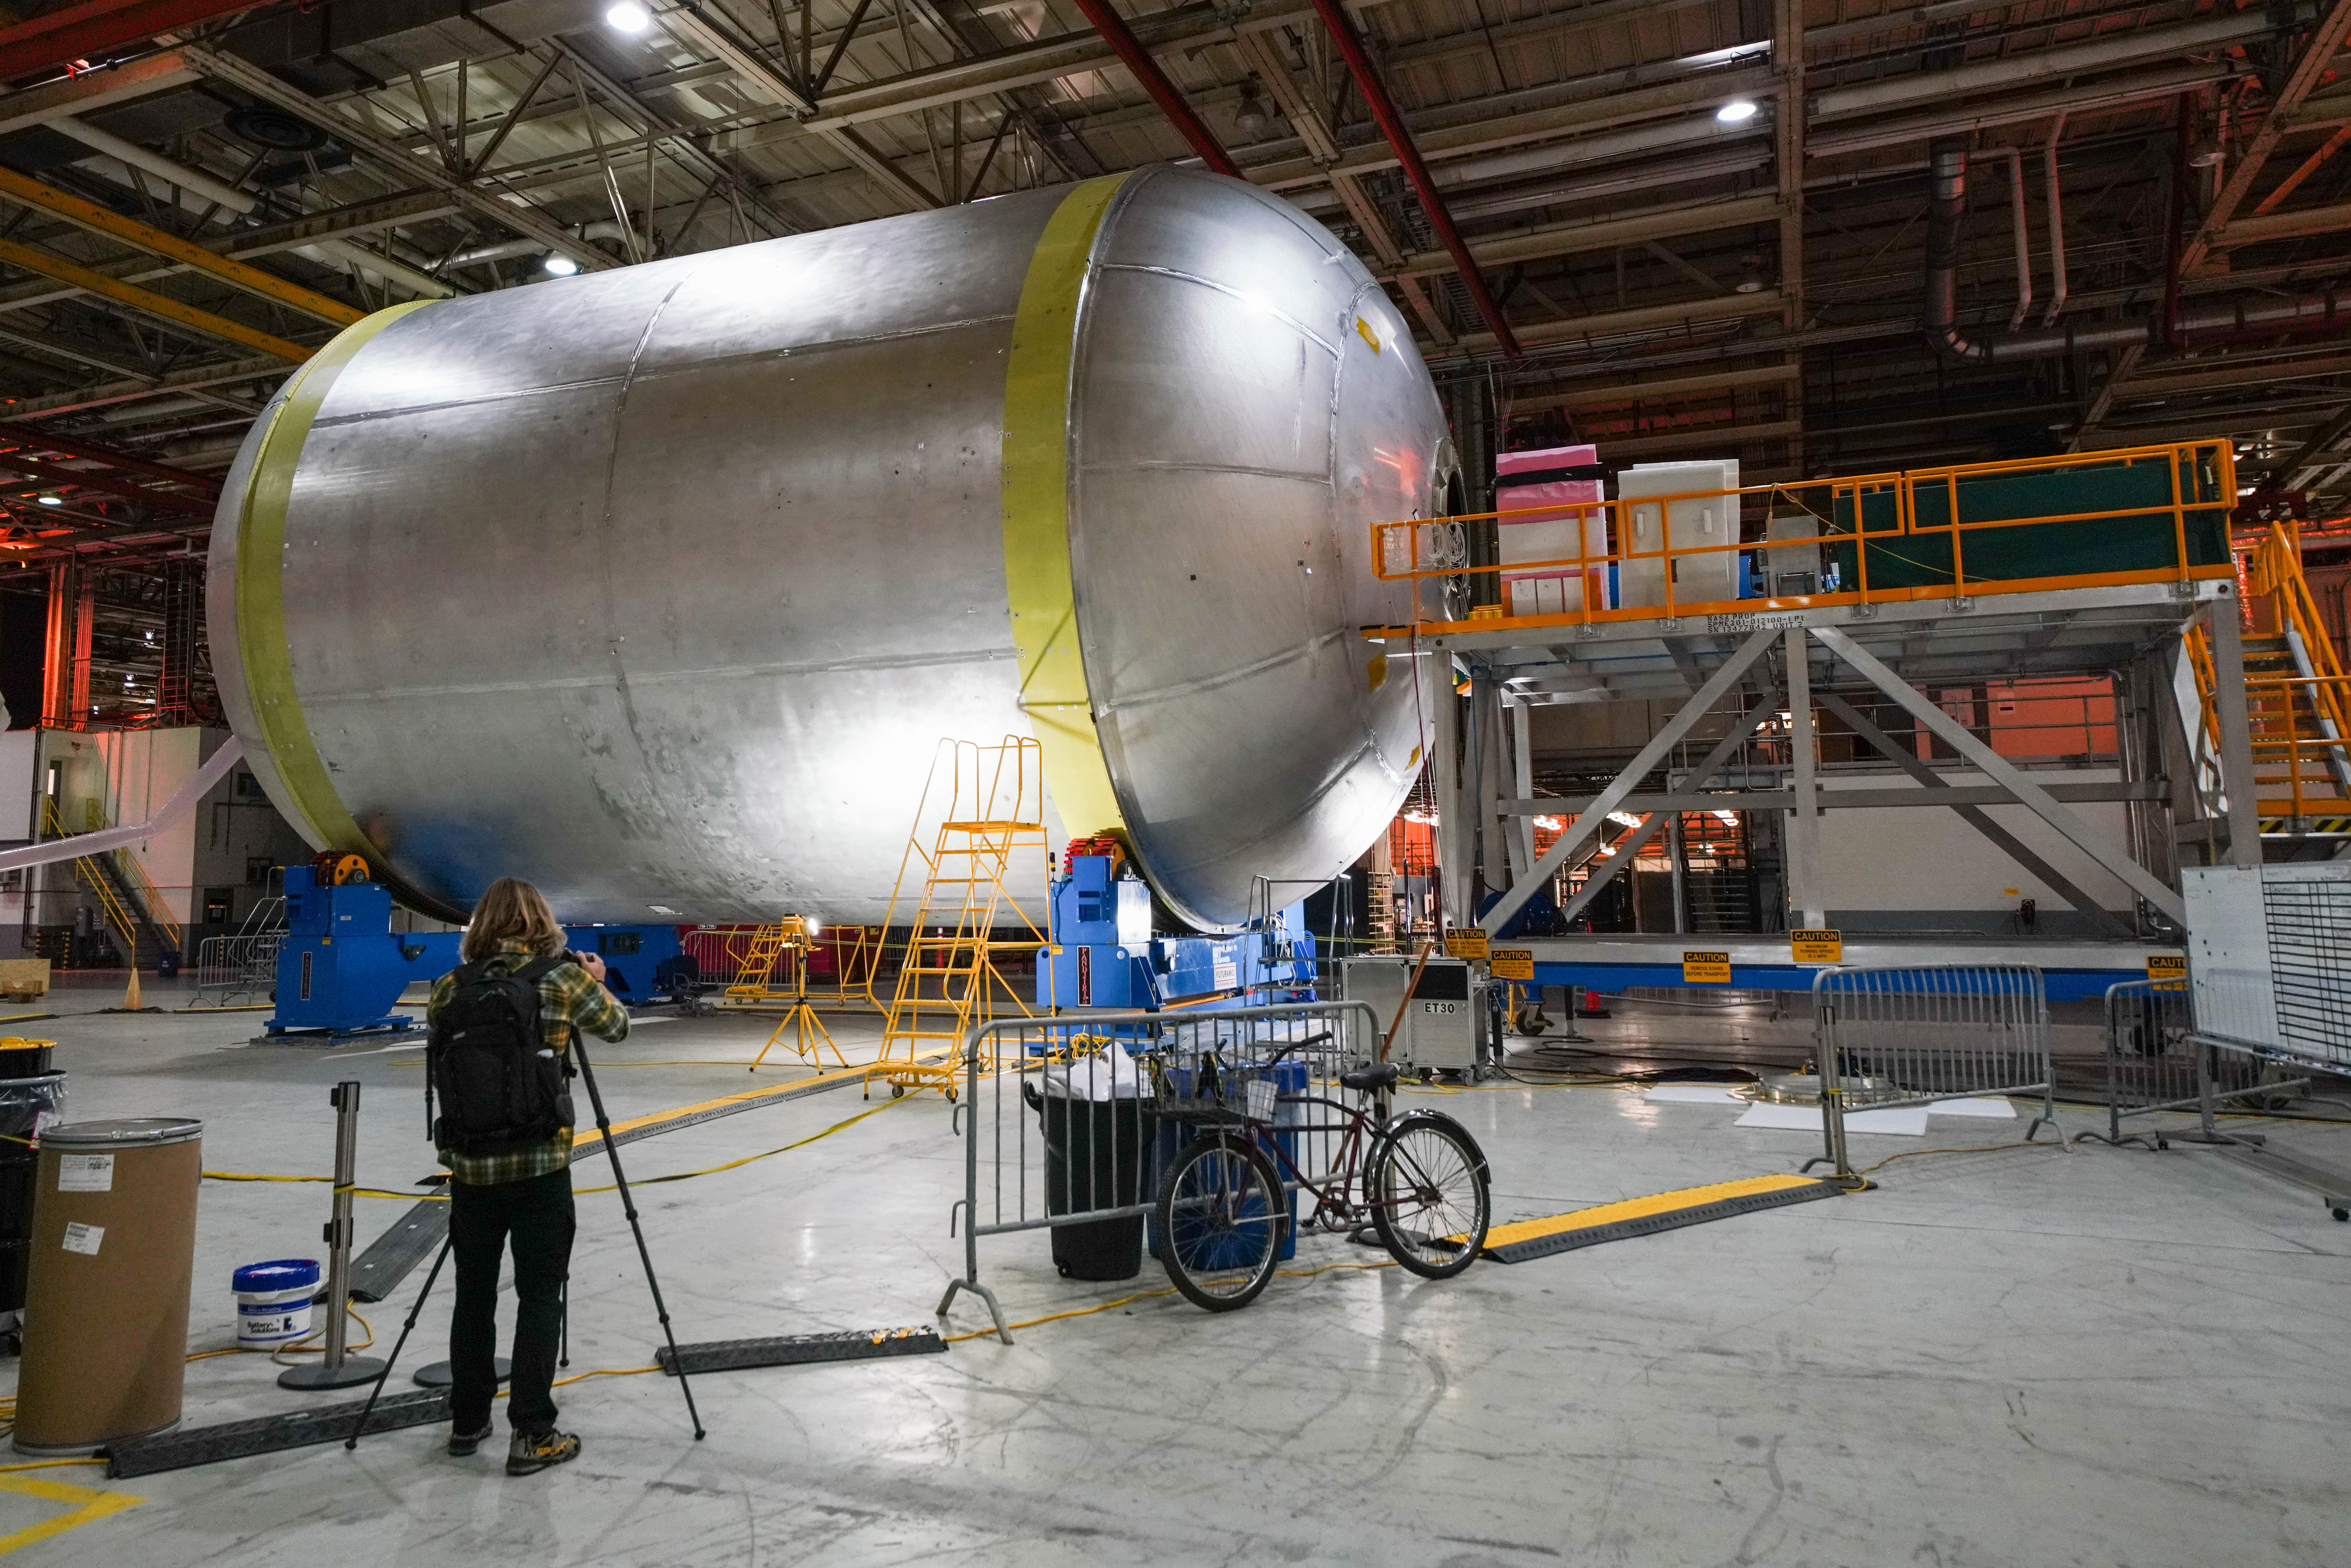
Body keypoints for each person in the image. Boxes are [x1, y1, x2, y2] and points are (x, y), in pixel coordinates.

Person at [427, 877, 628, 1477]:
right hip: (541, 1166)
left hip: (470, 1168)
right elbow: (616, 1028)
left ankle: (468, 1420)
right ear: (541, 923)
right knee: (540, 1295)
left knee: (474, 1295)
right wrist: (595, 979)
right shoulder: (561, 980)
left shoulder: (448, 989)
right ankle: (533, 1432)